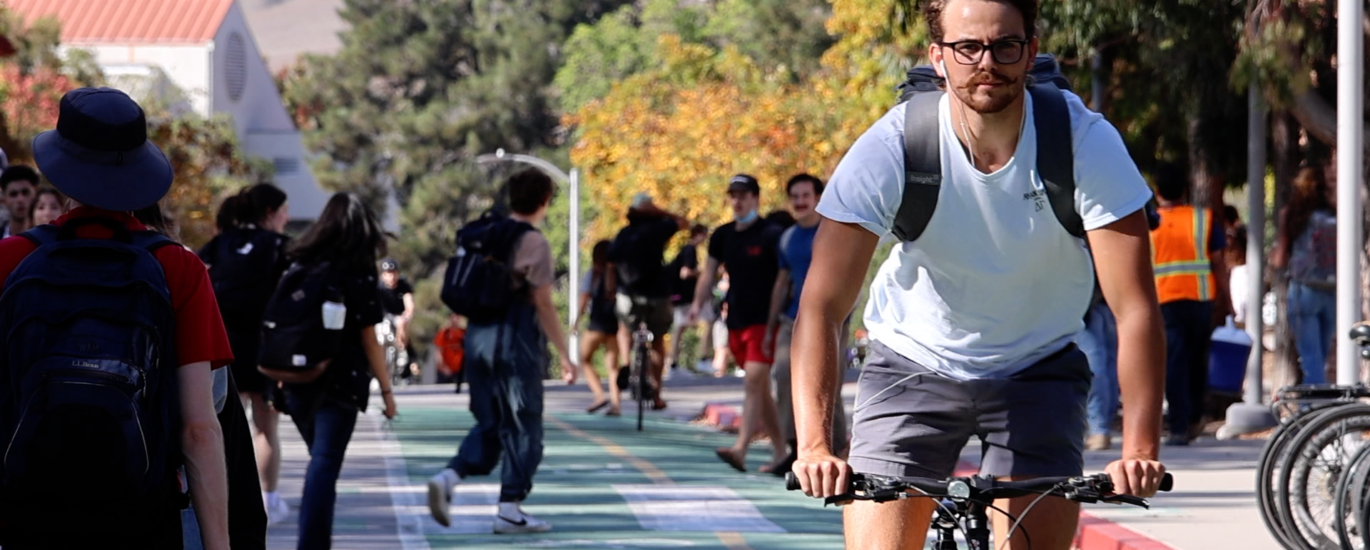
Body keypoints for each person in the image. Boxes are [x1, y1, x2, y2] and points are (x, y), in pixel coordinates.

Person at [787, 2, 1168, 547]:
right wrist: (815, 447)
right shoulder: (893, 147)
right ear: (938, 58)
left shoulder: (1084, 144)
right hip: (911, 364)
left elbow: (1134, 309)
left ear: (1031, 51)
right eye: (968, 48)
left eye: (1004, 46)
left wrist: (1140, 450)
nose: (987, 62)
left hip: (1038, 369)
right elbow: (822, 308)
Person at [0, 87, 232, 549]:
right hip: (141, 514)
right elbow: (198, 427)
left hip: (27, 513)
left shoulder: (11, 258)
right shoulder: (178, 267)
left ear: (60, 173)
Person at [427, 169, 576, 534]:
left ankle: (451, 474)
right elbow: (542, 301)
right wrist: (564, 352)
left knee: (491, 422)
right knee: (524, 422)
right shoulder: (533, 242)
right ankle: (510, 506)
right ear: (544, 201)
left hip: (478, 336)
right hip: (515, 338)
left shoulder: (487, 233)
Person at [278, 193, 397, 550]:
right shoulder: (358, 274)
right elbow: (369, 340)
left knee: (321, 463)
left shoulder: (298, 262)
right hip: (340, 383)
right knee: (324, 466)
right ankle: (312, 544)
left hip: (296, 381)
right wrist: (387, 393)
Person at [198, 183, 294, 525]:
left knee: (220, 426)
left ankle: (222, 499)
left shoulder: (219, 244)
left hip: (222, 344)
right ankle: (268, 499)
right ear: (270, 212)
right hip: (267, 347)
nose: (288, 217)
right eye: (284, 210)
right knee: (265, 426)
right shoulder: (281, 247)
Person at [689, 174, 787, 473]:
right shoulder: (722, 235)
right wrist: (697, 303)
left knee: (752, 381)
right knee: (759, 388)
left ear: (756, 198)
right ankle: (782, 450)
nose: (737, 200)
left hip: (765, 321)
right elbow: (708, 273)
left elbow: (786, 277)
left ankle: (740, 449)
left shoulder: (772, 233)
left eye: (743, 195)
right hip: (736, 321)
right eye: (733, 194)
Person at [767, 174, 848, 475]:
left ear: (818, 198)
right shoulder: (787, 238)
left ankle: (837, 450)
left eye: (806, 195)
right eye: (795, 197)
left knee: (830, 382)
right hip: (793, 319)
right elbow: (781, 282)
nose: (800, 202)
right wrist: (770, 325)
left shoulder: (833, 232)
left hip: (830, 319)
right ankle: (793, 449)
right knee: (783, 377)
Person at [1152, 163, 1228, 445]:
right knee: (1197, 361)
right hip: (1200, 299)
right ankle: (1196, 417)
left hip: (1165, 301)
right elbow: (1219, 263)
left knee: (1174, 363)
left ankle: (1179, 425)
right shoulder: (1203, 218)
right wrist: (1226, 299)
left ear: (1157, 192)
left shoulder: (1150, 222)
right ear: (1185, 191)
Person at [608, 194, 687, 409]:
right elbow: (683, 223)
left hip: (629, 294)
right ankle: (658, 394)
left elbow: (610, 263)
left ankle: (626, 361)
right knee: (658, 341)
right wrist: (660, 210)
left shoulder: (624, 234)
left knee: (623, 327)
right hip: (658, 294)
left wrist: (611, 289)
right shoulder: (659, 228)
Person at [1271, 161, 1338, 385]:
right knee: (1324, 357)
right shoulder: (1337, 216)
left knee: (1311, 359)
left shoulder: (1292, 215)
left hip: (1304, 290)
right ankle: (1323, 409)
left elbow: (1280, 258)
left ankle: (1314, 410)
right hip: (1333, 290)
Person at [579, 240, 623, 414]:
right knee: (613, 366)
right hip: (615, 323)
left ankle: (599, 394)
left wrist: (576, 321)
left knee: (584, 358)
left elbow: (584, 298)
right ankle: (616, 404)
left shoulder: (594, 273)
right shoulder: (620, 272)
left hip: (596, 323)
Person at [666, 224, 709, 372]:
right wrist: (701, 271)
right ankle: (703, 358)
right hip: (686, 295)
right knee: (708, 321)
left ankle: (674, 362)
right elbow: (685, 273)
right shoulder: (690, 250)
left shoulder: (685, 249)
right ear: (699, 234)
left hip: (680, 296)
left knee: (680, 328)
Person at [377, 258, 418, 379]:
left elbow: (409, 302)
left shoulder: (403, 285)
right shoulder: (379, 288)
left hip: (400, 318)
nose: (391, 276)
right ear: (383, 275)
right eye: (388, 273)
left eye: (393, 272)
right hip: (383, 320)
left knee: (401, 324)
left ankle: (402, 354)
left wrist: (407, 315)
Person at [0, 165, 39, 238]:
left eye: (25, 192)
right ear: (4, 200)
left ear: (35, 194)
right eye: (13, 194)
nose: (20, 199)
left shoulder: (45, 240)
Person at [433, 313, 467, 387]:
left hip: (461, 372)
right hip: (446, 372)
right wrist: (443, 367)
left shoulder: (464, 333)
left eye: (457, 317)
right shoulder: (444, 333)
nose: (455, 319)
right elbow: (438, 351)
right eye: (453, 317)